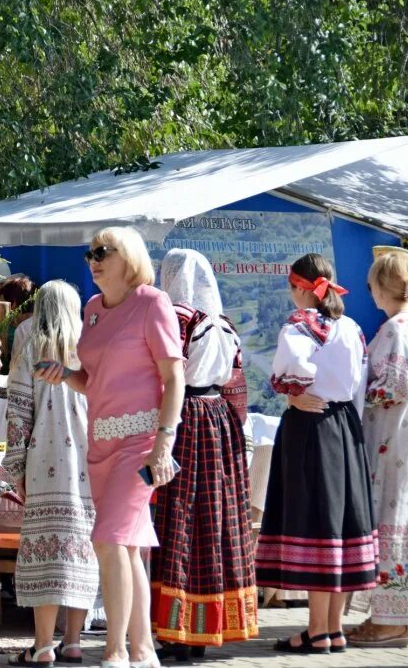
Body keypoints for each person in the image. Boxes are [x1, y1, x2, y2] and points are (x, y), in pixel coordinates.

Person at [38, 226, 184, 668]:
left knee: (108, 539)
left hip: (141, 443)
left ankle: (117, 650)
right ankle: (143, 650)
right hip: (100, 443)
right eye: (90, 253)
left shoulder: (152, 303)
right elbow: (94, 380)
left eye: (105, 251)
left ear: (131, 257)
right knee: (128, 545)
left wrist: (164, 444)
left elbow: (174, 377)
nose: (94, 259)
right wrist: (63, 374)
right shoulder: (93, 308)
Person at [255, 253, 377, 654]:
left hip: (313, 426)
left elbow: (290, 371)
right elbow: (358, 386)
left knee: (315, 521)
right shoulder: (352, 327)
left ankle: (317, 631)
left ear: (301, 288)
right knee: (338, 523)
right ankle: (333, 628)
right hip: (346, 427)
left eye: (292, 288)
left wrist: (294, 394)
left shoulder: (301, 325)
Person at [150, 249, 257, 661]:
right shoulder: (224, 324)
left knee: (181, 520)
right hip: (219, 421)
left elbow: (161, 374)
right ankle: (207, 627)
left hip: (185, 421)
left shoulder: (177, 318)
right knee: (213, 522)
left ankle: (178, 631)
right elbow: (236, 387)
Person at [3, 280, 98, 667]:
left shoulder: (30, 347)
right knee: (82, 547)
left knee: (45, 549)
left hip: (45, 460)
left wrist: (16, 468)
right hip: (90, 459)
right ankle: (73, 642)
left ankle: (43, 646)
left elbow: (18, 412)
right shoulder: (91, 348)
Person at [348, 250, 408, 648]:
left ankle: (390, 622)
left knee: (393, 520)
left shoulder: (397, 329)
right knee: (400, 519)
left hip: (392, 443)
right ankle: (390, 617)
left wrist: (352, 390)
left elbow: (393, 386)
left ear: (381, 287)